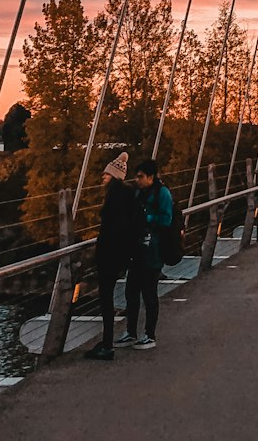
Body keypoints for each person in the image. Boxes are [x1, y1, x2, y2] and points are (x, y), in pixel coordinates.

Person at [84, 152, 143, 362]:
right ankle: (107, 341)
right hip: (122, 254)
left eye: (106, 174)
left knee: (106, 298)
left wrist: (101, 251)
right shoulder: (127, 196)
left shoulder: (114, 198)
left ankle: (107, 344)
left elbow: (111, 229)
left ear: (114, 176)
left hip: (109, 254)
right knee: (108, 297)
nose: (103, 177)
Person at [116, 159, 173, 351]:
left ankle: (150, 335)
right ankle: (131, 332)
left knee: (149, 293)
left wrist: (145, 217)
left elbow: (166, 219)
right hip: (137, 249)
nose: (137, 179)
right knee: (131, 292)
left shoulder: (162, 193)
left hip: (154, 251)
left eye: (140, 176)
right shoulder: (139, 192)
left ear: (151, 177)